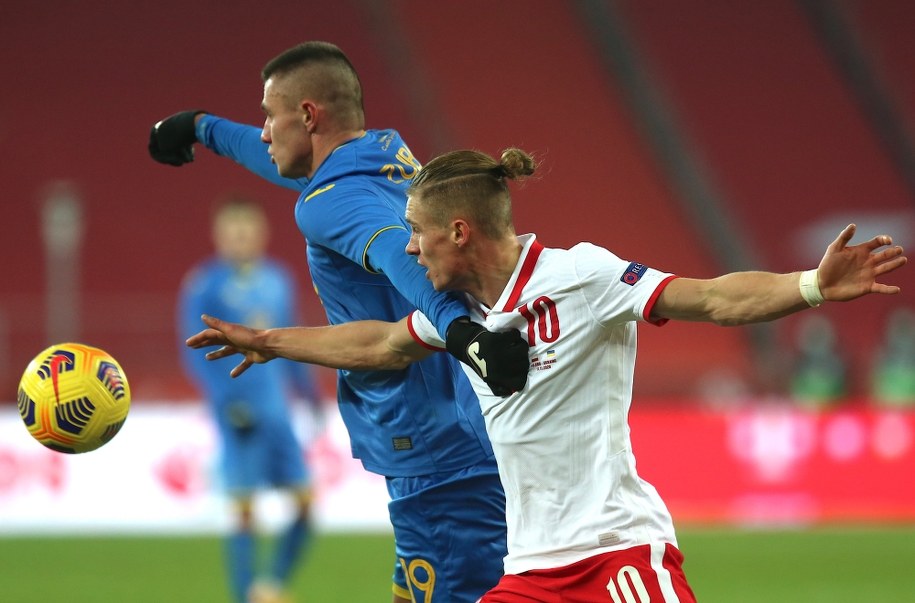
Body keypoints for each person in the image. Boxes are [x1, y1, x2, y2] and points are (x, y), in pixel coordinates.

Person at [187, 147, 907, 602]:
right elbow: (381, 343)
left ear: (459, 232)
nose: (409, 247)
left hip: (615, 552)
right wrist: (273, 342)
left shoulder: (581, 274)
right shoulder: (461, 314)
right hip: (530, 570)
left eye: (417, 232)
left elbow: (712, 296)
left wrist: (809, 285)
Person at [150, 42, 527, 603]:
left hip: (431, 448)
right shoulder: (385, 156)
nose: (261, 133)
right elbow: (296, 170)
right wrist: (202, 128)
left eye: (269, 117)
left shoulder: (329, 202)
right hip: (463, 430)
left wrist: (465, 335)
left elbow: (398, 253)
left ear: (307, 115)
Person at [177, 197, 322, 603]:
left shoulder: (278, 279)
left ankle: (271, 584)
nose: (240, 238)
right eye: (232, 230)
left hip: (278, 413)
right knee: (244, 511)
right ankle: (246, 595)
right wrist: (226, 402)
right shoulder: (204, 284)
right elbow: (192, 351)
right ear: (219, 236)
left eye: (247, 230)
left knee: (307, 506)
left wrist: (310, 396)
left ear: (261, 234)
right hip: (238, 416)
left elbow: (291, 343)